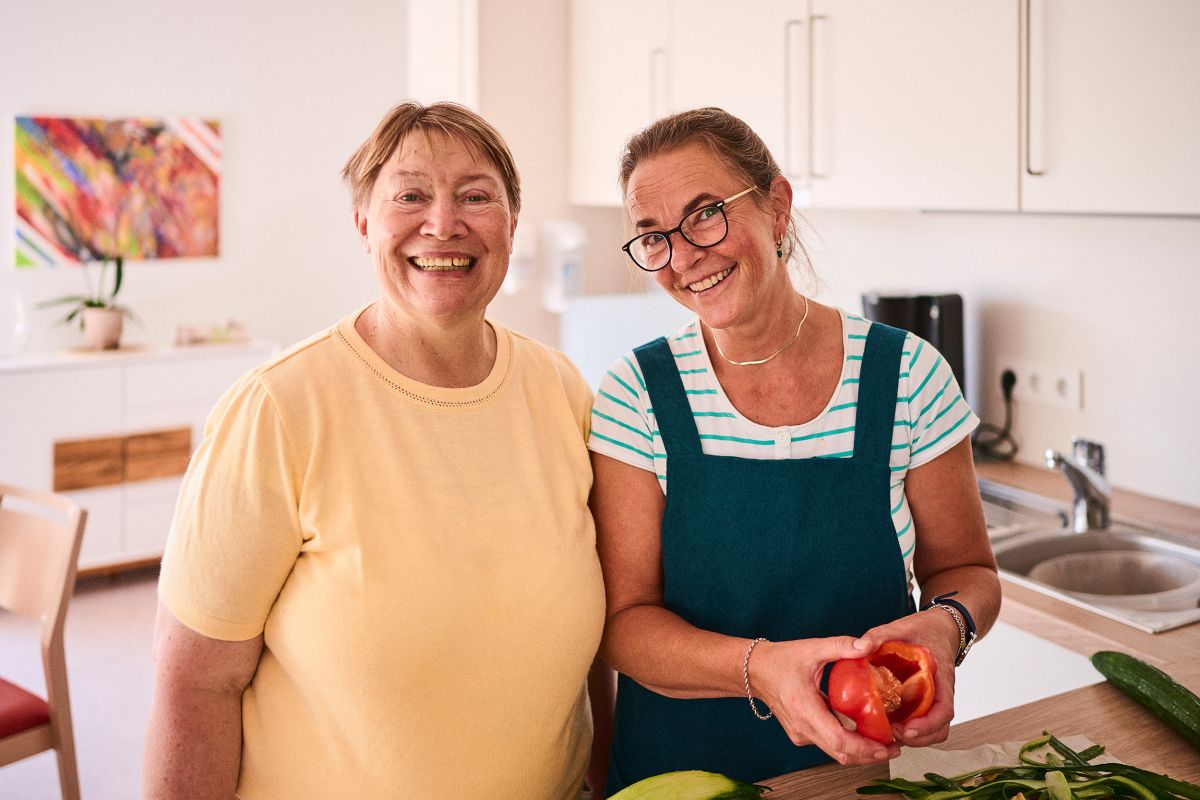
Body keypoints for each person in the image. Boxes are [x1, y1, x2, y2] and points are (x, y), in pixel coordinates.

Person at [143, 101, 612, 799]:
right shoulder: (277, 408)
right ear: (364, 224)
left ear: (511, 225)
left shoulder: (562, 390)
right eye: (411, 195)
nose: (443, 223)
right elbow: (196, 683)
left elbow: (591, 658)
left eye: (476, 196)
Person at [588, 107, 1001, 791]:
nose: (685, 255)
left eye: (705, 214)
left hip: (857, 772)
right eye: (654, 237)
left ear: (777, 208)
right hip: (678, 774)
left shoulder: (907, 375)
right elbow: (625, 626)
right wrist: (763, 669)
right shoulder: (638, 392)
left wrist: (947, 626)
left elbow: (968, 571)